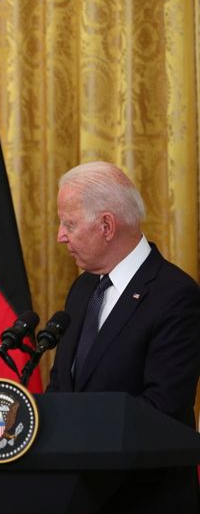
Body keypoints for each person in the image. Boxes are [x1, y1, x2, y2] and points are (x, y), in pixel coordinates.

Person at [47, 162, 200, 512]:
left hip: (145, 498)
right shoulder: (83, 288)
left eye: (69, 223)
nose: (60, 235)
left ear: (106, 226)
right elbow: (62, 386)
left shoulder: (174, 295)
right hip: (80, 496)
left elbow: (162, 408)